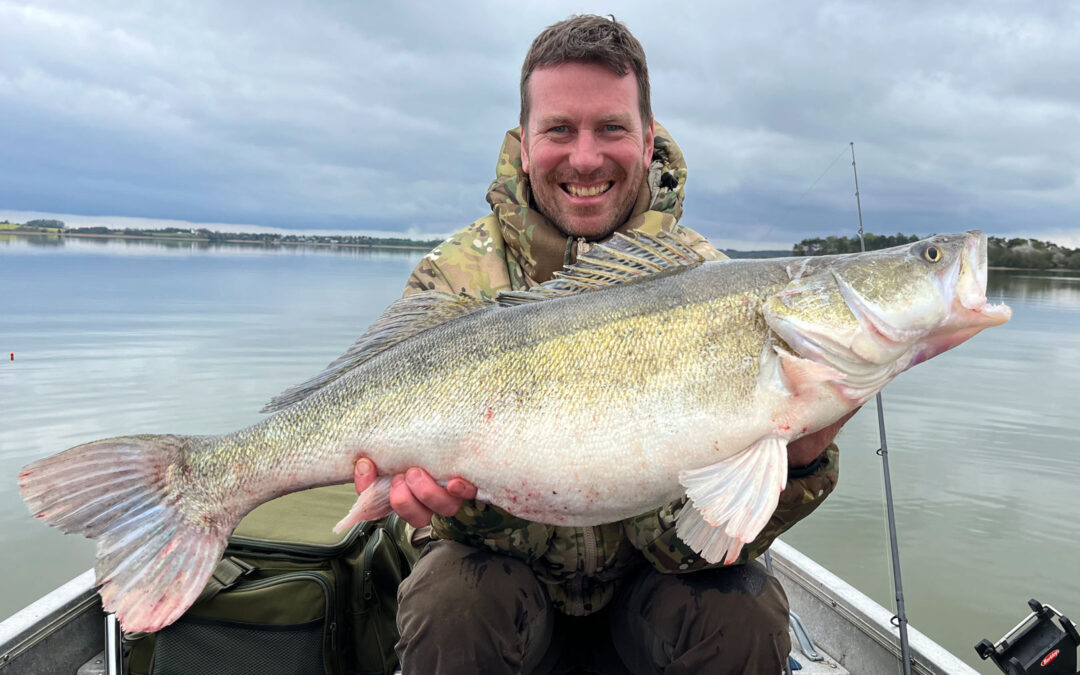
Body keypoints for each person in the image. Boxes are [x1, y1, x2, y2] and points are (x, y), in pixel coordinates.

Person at [354, 15, 846, 674]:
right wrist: (453, 506)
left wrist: (804, 458)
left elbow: (705, 542)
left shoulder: (716, 288)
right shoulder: (454, 277)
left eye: (611, 128)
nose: (585, 157)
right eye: (559, 129)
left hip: (648, 588)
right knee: (451, 601)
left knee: (744, 612)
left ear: (648, 142)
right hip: (505, 588)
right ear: (523, 145)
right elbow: (432, 518)